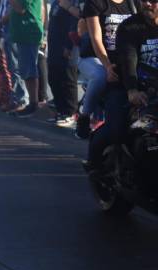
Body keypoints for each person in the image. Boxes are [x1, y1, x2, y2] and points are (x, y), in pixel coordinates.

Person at [84, 0, 136, 172]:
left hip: (132, 66)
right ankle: (85, 118)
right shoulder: (96, 4)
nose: (151, 4)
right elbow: (96, 38)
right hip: (103, 62)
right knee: (116, 127)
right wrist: (107, 66)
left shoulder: (134, 4)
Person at [6, 0, 45, 117]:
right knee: (25, 70)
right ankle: (32, 104)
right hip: (23, 35)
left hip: (28, 34)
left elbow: (20, 8)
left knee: (29, 70)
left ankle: (33, 104)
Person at [46, 0, 81, 126]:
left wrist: (69, 45)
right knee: (53, 77)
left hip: (66, 45)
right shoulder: (56, 2)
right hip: (53, 45)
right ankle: (61, 111)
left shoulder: (71, 3)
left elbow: (75, 22)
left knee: (67, 78)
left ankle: (71, 112)